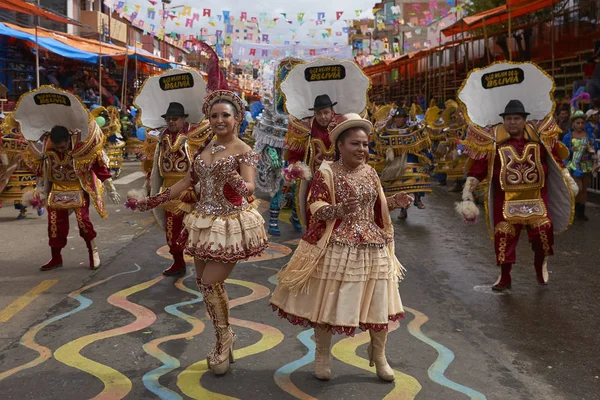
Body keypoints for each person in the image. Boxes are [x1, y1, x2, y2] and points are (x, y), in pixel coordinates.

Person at [126, 90, 268, 376]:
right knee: (206, 284)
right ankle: (224, 338)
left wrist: (236, 181)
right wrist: (151, 200)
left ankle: (223, 340)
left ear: (237, 118)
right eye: (214, 116)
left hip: (230, 225)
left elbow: (251, 189)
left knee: (210, 282)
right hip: (203, 223)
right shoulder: (204, 147)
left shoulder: (244, 150)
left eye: (225, 115)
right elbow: (185, 182)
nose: (219, 120)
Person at [271, 113, 413, 382]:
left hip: (372, 245)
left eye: (365, 145)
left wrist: (395, 201)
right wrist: (338, 209)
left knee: (378, 302)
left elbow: (375, 207)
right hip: (337, 244)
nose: (362, 150)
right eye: (355, 144)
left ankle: (379, 354)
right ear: (339, 146)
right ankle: (323, 355)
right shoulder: (326, 172)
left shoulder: (370, 172)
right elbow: (315, 207)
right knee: (328, 303)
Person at [458, 100, 576, 291]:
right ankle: (504, 277)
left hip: (536, 199)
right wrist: (467, 193)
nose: (513, 122)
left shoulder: (540, 140)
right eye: (509, 119)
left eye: (517, 118)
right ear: (504, 121)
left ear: (524, 120)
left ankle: (540, 265)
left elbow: (556, 163)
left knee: (543, 234)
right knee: (503, 236)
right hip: (505, 201)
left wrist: (568, 179)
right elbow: (478, 170)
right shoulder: (493, 143)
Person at [25, 125, 121, 270]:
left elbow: (99, 168)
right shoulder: (48, 152)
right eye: (57, 147)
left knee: (83, 222)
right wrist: (41, 193)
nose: (60, 150)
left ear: (68, 141)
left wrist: (111, 188)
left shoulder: (81, 151)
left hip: (78, 190)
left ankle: (93, 252)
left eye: (63, 147)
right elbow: (43, 174)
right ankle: (56, 258)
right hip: (56, 192)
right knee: (54, 225)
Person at [142, 102, 212, 276]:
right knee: (172, 234)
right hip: (169, 192)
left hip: (192, 191)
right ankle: (179, 262)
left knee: (199, 231)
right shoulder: (161, 139)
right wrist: (151, 186)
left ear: (183, 119)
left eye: (175, 118)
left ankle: (204, 268)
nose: (171, 122)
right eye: (169, 119)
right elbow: (156, 167)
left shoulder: (194, 136)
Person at [284, 94, 345, 229]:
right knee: (313, 219)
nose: (323, 116)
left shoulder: (342, 126)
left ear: (332, 112)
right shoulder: (307, 128)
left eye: (326, 112)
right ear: (314, 114)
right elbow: (295, 154)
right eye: (319, 113)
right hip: (313, 184)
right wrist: (294, 167)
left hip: (338, 183)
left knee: (336, 222)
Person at [376, 107, 433, 220]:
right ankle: (403, 209)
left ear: (405, 118)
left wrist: (428, 158)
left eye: (400, 118)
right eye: (396, 118)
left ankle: (417, 198)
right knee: (399, 184)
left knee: (417, 174)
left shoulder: (412, 129)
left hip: (412, 158)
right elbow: (381, 143)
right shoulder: (388, 131)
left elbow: (423, 143)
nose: (397, 120)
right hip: (397, 161)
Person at [562, 110, 599, 221]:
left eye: (582, 123)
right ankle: (573, 210)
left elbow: (595, 147)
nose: (580, 125)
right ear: (573, 123)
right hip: (574, 165)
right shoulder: (568, 136)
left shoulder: (589, 135)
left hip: (586, 165)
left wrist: (592, 149)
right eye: (577, 123)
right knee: (578, 188)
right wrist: (570, 149)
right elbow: (562, 151)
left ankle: (580, 213)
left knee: (584, 190)